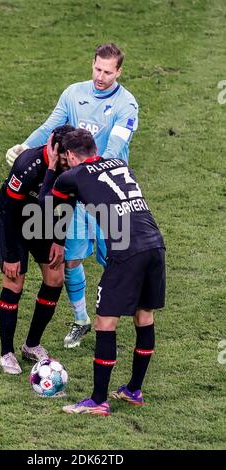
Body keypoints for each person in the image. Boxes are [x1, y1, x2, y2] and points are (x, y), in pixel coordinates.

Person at [5, 43, 139, 349]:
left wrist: (89, 179)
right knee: (69, 259)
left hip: (107, 198)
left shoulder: (126, 105)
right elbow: (52, 127)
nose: (100, 76)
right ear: (91, 64)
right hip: (74, 196)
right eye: (97, 68)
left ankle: (117, 319)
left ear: (119, 71)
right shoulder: (73, 93)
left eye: (108, 71)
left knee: (117, 260)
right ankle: (81, 320)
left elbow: (115, 150)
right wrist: (25, 147)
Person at [44, 129, 165, 416]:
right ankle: (133, 390)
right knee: (144, 316)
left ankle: (98, 401)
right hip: (154, 244)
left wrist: (51, 166)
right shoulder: (120, 164)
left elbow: (48, 203)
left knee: (104, 323)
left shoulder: (71, 176)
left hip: (126, 251)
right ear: (95, 148)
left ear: (71, 156)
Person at [0, 125, 75, 375]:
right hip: (14, 221)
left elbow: (67, 202)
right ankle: (6, 353)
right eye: (63, 159)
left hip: (42, 221)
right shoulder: (27, 164)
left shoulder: (72, 166)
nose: (68, 164)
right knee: (14, 283)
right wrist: (10, 255)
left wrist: (59, 241)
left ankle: (31, 344)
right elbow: (8, 210)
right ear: (52, 148)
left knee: (55, 277)